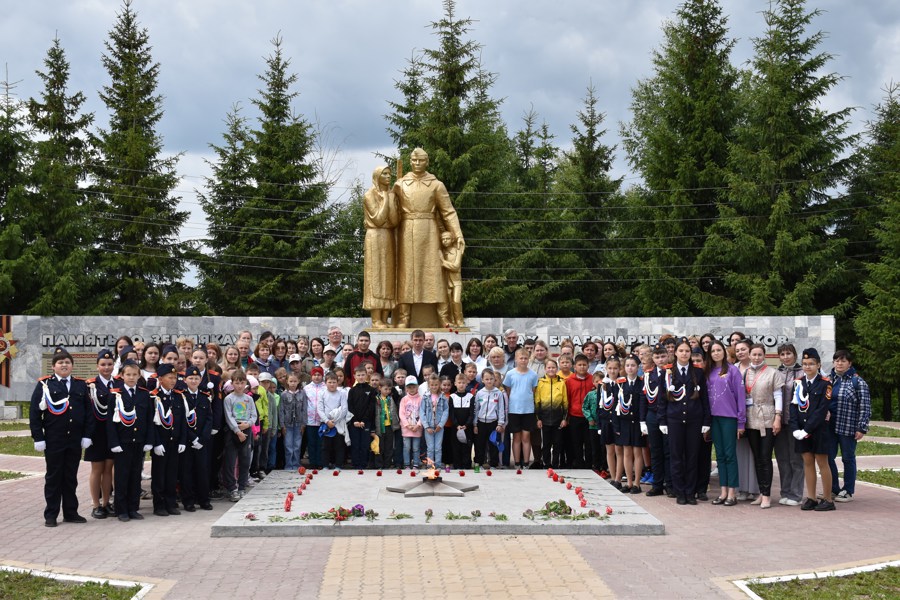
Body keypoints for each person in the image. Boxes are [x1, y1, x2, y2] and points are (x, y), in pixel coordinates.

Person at [393, 149, 464, 327]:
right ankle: (404, 318)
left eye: (421, 160)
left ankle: (444, 318)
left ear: (427, 162)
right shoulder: (400, 184)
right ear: (410, 161)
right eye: (414, 160)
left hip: (429, 232)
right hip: (406, 231)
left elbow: (448, 212)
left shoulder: (436, 185)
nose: (417, 163)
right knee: (406, 274)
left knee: (434, 274)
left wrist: (458, 233)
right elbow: (392, 211)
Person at [30, 347, 93, 527]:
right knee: (53, 477)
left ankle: (71, 512)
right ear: (53, 366)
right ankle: (51, 514)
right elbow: (35, 413)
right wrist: (38, 437)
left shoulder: (81, 385)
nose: (64, 365)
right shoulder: (45, 385)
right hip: (54, 439)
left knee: (70, 477)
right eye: (60, 362)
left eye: (67, 362)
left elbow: (88, 412)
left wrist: (87, 435)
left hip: (74, 440)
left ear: (72, 366)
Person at [659, 338, 710, 505]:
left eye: (687, 351)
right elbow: (662, 400)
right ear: (675, 353)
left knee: (692, 456)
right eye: (681, 351)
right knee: (676, 457)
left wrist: (706, 421)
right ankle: (680, 491)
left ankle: (691, 492)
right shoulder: (667, 372)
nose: (684, 354)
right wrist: (663, 422)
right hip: (674, 419)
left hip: (694, 419)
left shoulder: (698, 372)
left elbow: (704, 399)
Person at [790, 348, 836, 511]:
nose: (807, 367)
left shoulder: (825, 383)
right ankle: (811, 497)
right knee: (808, 462)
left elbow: (822, 409)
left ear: (818, 365)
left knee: (822, 463)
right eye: (805, 364)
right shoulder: (798, 382)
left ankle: (828, 499)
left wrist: (807, 429)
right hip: (802, 430)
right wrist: (795, 428)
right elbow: (794, 405)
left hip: (818, 430)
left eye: (811, 364)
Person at [107, 360, 152, 522]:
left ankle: (133, 508)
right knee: (122, 476)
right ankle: (121, 509)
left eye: (134, 374)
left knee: (135, 476)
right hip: (123, 442)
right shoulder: (116, 394)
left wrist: (148, 440)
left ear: (139, 375)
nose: (131, 377)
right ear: (121, 376)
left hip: (138, 441)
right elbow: (110, 422)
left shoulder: (144, 394)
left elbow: (148, 419)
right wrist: (114, 443)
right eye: (128, 374)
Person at [744, 343, 786, 509]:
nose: (756, 357)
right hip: (751, 418)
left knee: (765, 457)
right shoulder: (745, 373)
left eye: (759, 354)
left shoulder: (773, 373)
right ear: (749, 355)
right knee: (756, 457)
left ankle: (767, 495)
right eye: (753, 354)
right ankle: (761, 492)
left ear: (764, 356)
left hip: (767, 417)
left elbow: (778, 396)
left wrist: (778, 417)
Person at [827, 349, 871, 502]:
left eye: (843, 361)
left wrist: (861, 427)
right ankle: (833, 488)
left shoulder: (858, 382)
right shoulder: (827, 380)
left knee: (848, 458)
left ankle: (848, 490)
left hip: (848, 427)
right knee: (828, 457)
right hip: (829, 427)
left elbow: (865, 407)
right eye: (837, 360)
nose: (839, 363)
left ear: (849, 363)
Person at [705, 340, 745, 506]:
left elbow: (740, 397)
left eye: (718, 350)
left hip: (729, 418)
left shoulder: (733, 371)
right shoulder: (708, 372)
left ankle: (732, 493)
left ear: (724, 351)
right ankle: (722, 492)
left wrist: (741, 422)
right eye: (713, 351)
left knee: (730, 455)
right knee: (720, 456)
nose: (716, 353)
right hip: (714, 419)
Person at [363, 165, 399, 327]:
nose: (388, 176)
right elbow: (378, 219)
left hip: (388, 236)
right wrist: (385, 200)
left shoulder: (390, 194)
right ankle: (376, 319)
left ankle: (385, 318)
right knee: (376, 277)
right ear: (377, 176)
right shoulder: (369, 195)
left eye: (389, 174)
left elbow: (394, 221)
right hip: (374, 236)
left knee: (388, 277)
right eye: (384, 174)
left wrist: (390, 198)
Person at [149, 363, 186, 517]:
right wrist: (156, 443)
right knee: (159, 475)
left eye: (175, 378)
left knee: (171, 474)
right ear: (160, 379)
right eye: (169, 378)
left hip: (174, 441)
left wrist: (183, 440)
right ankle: (159, 505)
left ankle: (171, 503)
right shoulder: (153, 396)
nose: (173, 381)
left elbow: (182, 421)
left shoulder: (178, 395)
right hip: (161, 442)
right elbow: (151, 423)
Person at [85, 349, 116, 519]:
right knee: (97, 468)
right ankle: (96, 504)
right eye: (103, 365)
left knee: (109, 469)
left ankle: (106, 503)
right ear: (97, 366)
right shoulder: (90, 385)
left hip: (112, 434)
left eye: (109, 364)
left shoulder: (118, 384)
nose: (106, 367)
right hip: (96, 433)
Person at [774, 344, 805, 505]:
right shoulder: (776, 373)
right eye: (783, 354)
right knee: (782, 459)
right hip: (779, 423)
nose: (786, 357)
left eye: (789, 353)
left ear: (795, 354)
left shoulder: (802, 372)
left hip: (796, 423)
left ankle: (796, 494)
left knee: (796, 460)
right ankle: (785, 491)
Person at [180, 365, 213, 512]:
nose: (193, 380)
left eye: (196, 378)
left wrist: (202, 439)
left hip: (202, 442)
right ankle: (188, 501)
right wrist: (193, 438)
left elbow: (209, 419)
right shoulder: (181, 396)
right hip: (187, 441)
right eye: (190, 378)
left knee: (203, 471)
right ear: (185, 380)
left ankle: (204, 500)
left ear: (200, 380)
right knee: (186, 472)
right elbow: (181, 420)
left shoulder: (205, 397)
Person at [642, 343, 672, 497]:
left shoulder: (672, 373)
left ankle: (670, 483)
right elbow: (643, 398)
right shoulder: (648, 375)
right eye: (657, 357)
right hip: (653, 415)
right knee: (655, 451)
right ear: (653, 359)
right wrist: (642, 421)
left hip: (669, 415)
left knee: (669, 451)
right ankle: (657, 484)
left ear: (667, 356)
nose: (660, 360)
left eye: (663, 356)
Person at [223, 369, 257, 501]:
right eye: (236, 383)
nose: (239, 386)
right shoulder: (228, 399)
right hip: (233, 431)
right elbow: (228, 416)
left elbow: (254, 415)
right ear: (232, 383)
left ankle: (242, 487)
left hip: (246, 428)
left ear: (246, 384)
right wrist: (237, 430)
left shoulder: (248, 399)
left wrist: (248, 425)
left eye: (242, 383)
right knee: (230, 461)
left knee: (245, 460)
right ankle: (232, 488)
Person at [733, 338, 760, 501]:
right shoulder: (732, 369)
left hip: (756, 415)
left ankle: (755, 489)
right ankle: (742, 488)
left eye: (743, 349)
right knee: (740, 452)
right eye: (737, 350)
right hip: (738, 415)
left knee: (754, 452)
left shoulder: (757, 369)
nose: (740, 352)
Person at [613, 355, 645, 494]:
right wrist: (616, 426)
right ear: (624, 368)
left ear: (638, 367)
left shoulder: (642, 382)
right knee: (626, 452)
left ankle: (637, 483)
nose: (630, 368)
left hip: (637, 422)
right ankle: (629, 483)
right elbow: (615, 406)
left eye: (633, 365)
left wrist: (644, 424)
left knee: (637, 452)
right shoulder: (620, 383)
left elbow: (644, 405)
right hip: (624, 422)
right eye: (627, 365)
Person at [504, 349, 539, 470]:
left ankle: (526, 462)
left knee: (526, 437)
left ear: (528, 359)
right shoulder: (510, 374)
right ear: (516, 359)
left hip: (528, 410)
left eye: (525, 358)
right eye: (521, 358)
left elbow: (533, 391)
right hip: (514, 410)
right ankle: (517, 462)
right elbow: (508, 392)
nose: (523, 360)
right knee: (517, 437)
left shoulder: (533, 375)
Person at [534, 358, 568, 469]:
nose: (551, 369)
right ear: (545, 369)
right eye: (549, 367)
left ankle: (555, 464)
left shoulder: (561, 382)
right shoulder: (540, 382)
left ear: (557, 369)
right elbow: (537, 402)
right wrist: (538, 419)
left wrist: (564, 419)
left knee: (558, 443)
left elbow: (565, 402)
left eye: (553, 367)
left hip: (558, 419)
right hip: (544, 418)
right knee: (546, 444)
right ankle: (546, 464)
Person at [473, 370, 508, 469]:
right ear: (482, 380)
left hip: (493, 423)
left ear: (494, 380)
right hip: (481, 423)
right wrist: (475, 424)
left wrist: (500, 423)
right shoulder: (479, 393)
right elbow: (476, 409)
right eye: (486, 379)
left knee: (493, 444)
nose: (489, 381)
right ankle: (479, 463)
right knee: (480, 445)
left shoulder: (498, 393)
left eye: (491, 379)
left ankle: (493, 464)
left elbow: (501, 409)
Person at [565, 354, 594, 469]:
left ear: (588, 366)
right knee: (576, 441)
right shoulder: (569, 381)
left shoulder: (592, 379)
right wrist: (566, 416)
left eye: (584, 365)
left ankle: (588, 463)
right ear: (575, 367)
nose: (582, 367)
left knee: (588, 441)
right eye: (579, 365)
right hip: (574, 415)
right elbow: (567, 398)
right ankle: (578, 462)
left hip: (589, 417)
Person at [347, 364, 377, 470]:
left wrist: (364, 420)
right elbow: (350, 406)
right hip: (354, 423)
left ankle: (364, 464)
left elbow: (371, 407)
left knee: (364, 444)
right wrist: (354, 420)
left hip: (366, 422)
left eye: (363, 375)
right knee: (355, 444)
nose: (361, 377)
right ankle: (356, 464)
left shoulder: (371, 390)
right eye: (358, 375)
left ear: (366, 376)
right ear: (354, 376)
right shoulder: (352, 390)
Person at [317, 371, 348, 471]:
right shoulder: (322, 394)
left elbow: (344, 409)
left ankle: (338, 465)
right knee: (326, 446)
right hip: (326, 423)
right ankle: (325, 465)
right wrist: (327, 421)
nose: (332, 384)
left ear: (337, 382)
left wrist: (334, 421)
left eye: (334, 382)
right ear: (325, 383)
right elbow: (320, 409)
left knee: (339, 445)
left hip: (338, 423)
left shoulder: (342, 393)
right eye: (330, 382)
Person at [420, 374, 448, 468]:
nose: (434, 387)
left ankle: (438, 465)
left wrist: (441, 425)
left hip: (439, 427)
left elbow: (445, 411)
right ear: (429, 385)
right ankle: (430, 465)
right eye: (432, 385)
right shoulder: (425, 397)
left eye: (436, 385)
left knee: (438, 448)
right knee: (430, 448)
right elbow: (422, 412)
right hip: (429, 427)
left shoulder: (443, 397)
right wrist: (426, 426)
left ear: (439, 384)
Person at [279, 373, 306, 471]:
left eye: (295, 381)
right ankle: (288, 465)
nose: (293, 383)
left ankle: (296, 464)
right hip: (287, 424)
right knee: (288, 446)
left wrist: (304, 424)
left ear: (298, 381)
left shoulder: (302, 393)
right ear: (287, 381)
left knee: (297, 445)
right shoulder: (284, 394)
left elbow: (304, 409)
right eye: (291, 381)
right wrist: (282, 425)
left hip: (299, 424)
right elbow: (281, 410)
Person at [449, 373, 474, 469]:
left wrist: (467, 425)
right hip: (456, 427)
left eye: (463, 382)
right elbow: (451, 413)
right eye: (459, 382)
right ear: (455, 383)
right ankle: (457, 465)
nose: (461, 385)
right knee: (456, 446)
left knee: (467, 446)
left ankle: (466, 465)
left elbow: (472, 413)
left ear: (467, 383)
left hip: (467, 427)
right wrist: (456, 425)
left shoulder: (470, 396)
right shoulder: (452, 397)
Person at [302, 367, 326, 469]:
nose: (317, 377)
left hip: (322, 420)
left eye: (319, 375)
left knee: (321, 443)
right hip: (310, 420)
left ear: (322, 376)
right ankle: (313, 462)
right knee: (311, 442)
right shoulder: (306, 388)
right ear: (311, 376)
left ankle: (320, 462)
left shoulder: (326, 387)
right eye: (314, 375)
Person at [399, 375, 424, 469]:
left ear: (417, 387)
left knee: (416, 448)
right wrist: (407, 425)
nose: (412, 389)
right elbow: (401, 414)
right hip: (406, 429)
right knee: (407, 447)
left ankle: (416, 463)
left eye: (414, 387)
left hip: (417, 428)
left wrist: (418, 425)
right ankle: (406, 464)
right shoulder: (404, 399)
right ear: (406, 388)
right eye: (409, 387)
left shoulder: (421, 399)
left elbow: (423, 413)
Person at [440, 231, 464, 326]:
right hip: (445, 281)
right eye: (443, 239)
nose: (445, 241)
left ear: (452, 239)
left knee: (456, 301)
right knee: (448, 303)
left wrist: (442, 262)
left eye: (447, 239)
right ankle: (451, 322)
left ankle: (459, 321)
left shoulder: (457, 251)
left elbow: (456, 266)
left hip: (456, 281)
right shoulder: (441, 252)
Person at [374, 379, 399, 469]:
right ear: (380, 388)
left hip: (389, 426)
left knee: (389, 446)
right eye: (385, 389)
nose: (388, 391)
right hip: (380, 427)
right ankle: (379, 465)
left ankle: (387, 465)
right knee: (380, 447)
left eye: (389, 389)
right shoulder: (376, 399)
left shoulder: (391, 398)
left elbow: (394, 411)